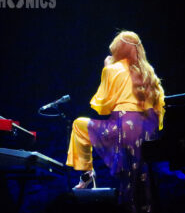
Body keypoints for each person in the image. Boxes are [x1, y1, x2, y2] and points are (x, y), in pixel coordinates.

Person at [66, 31, 165, 213]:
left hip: (124, 129)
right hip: (148, 133)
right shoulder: (149, 72)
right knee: (139, 178)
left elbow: (102, 106)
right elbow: (161, 108)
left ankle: (86, 173)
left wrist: (106, 69)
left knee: (79, 125)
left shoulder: (113, 69)